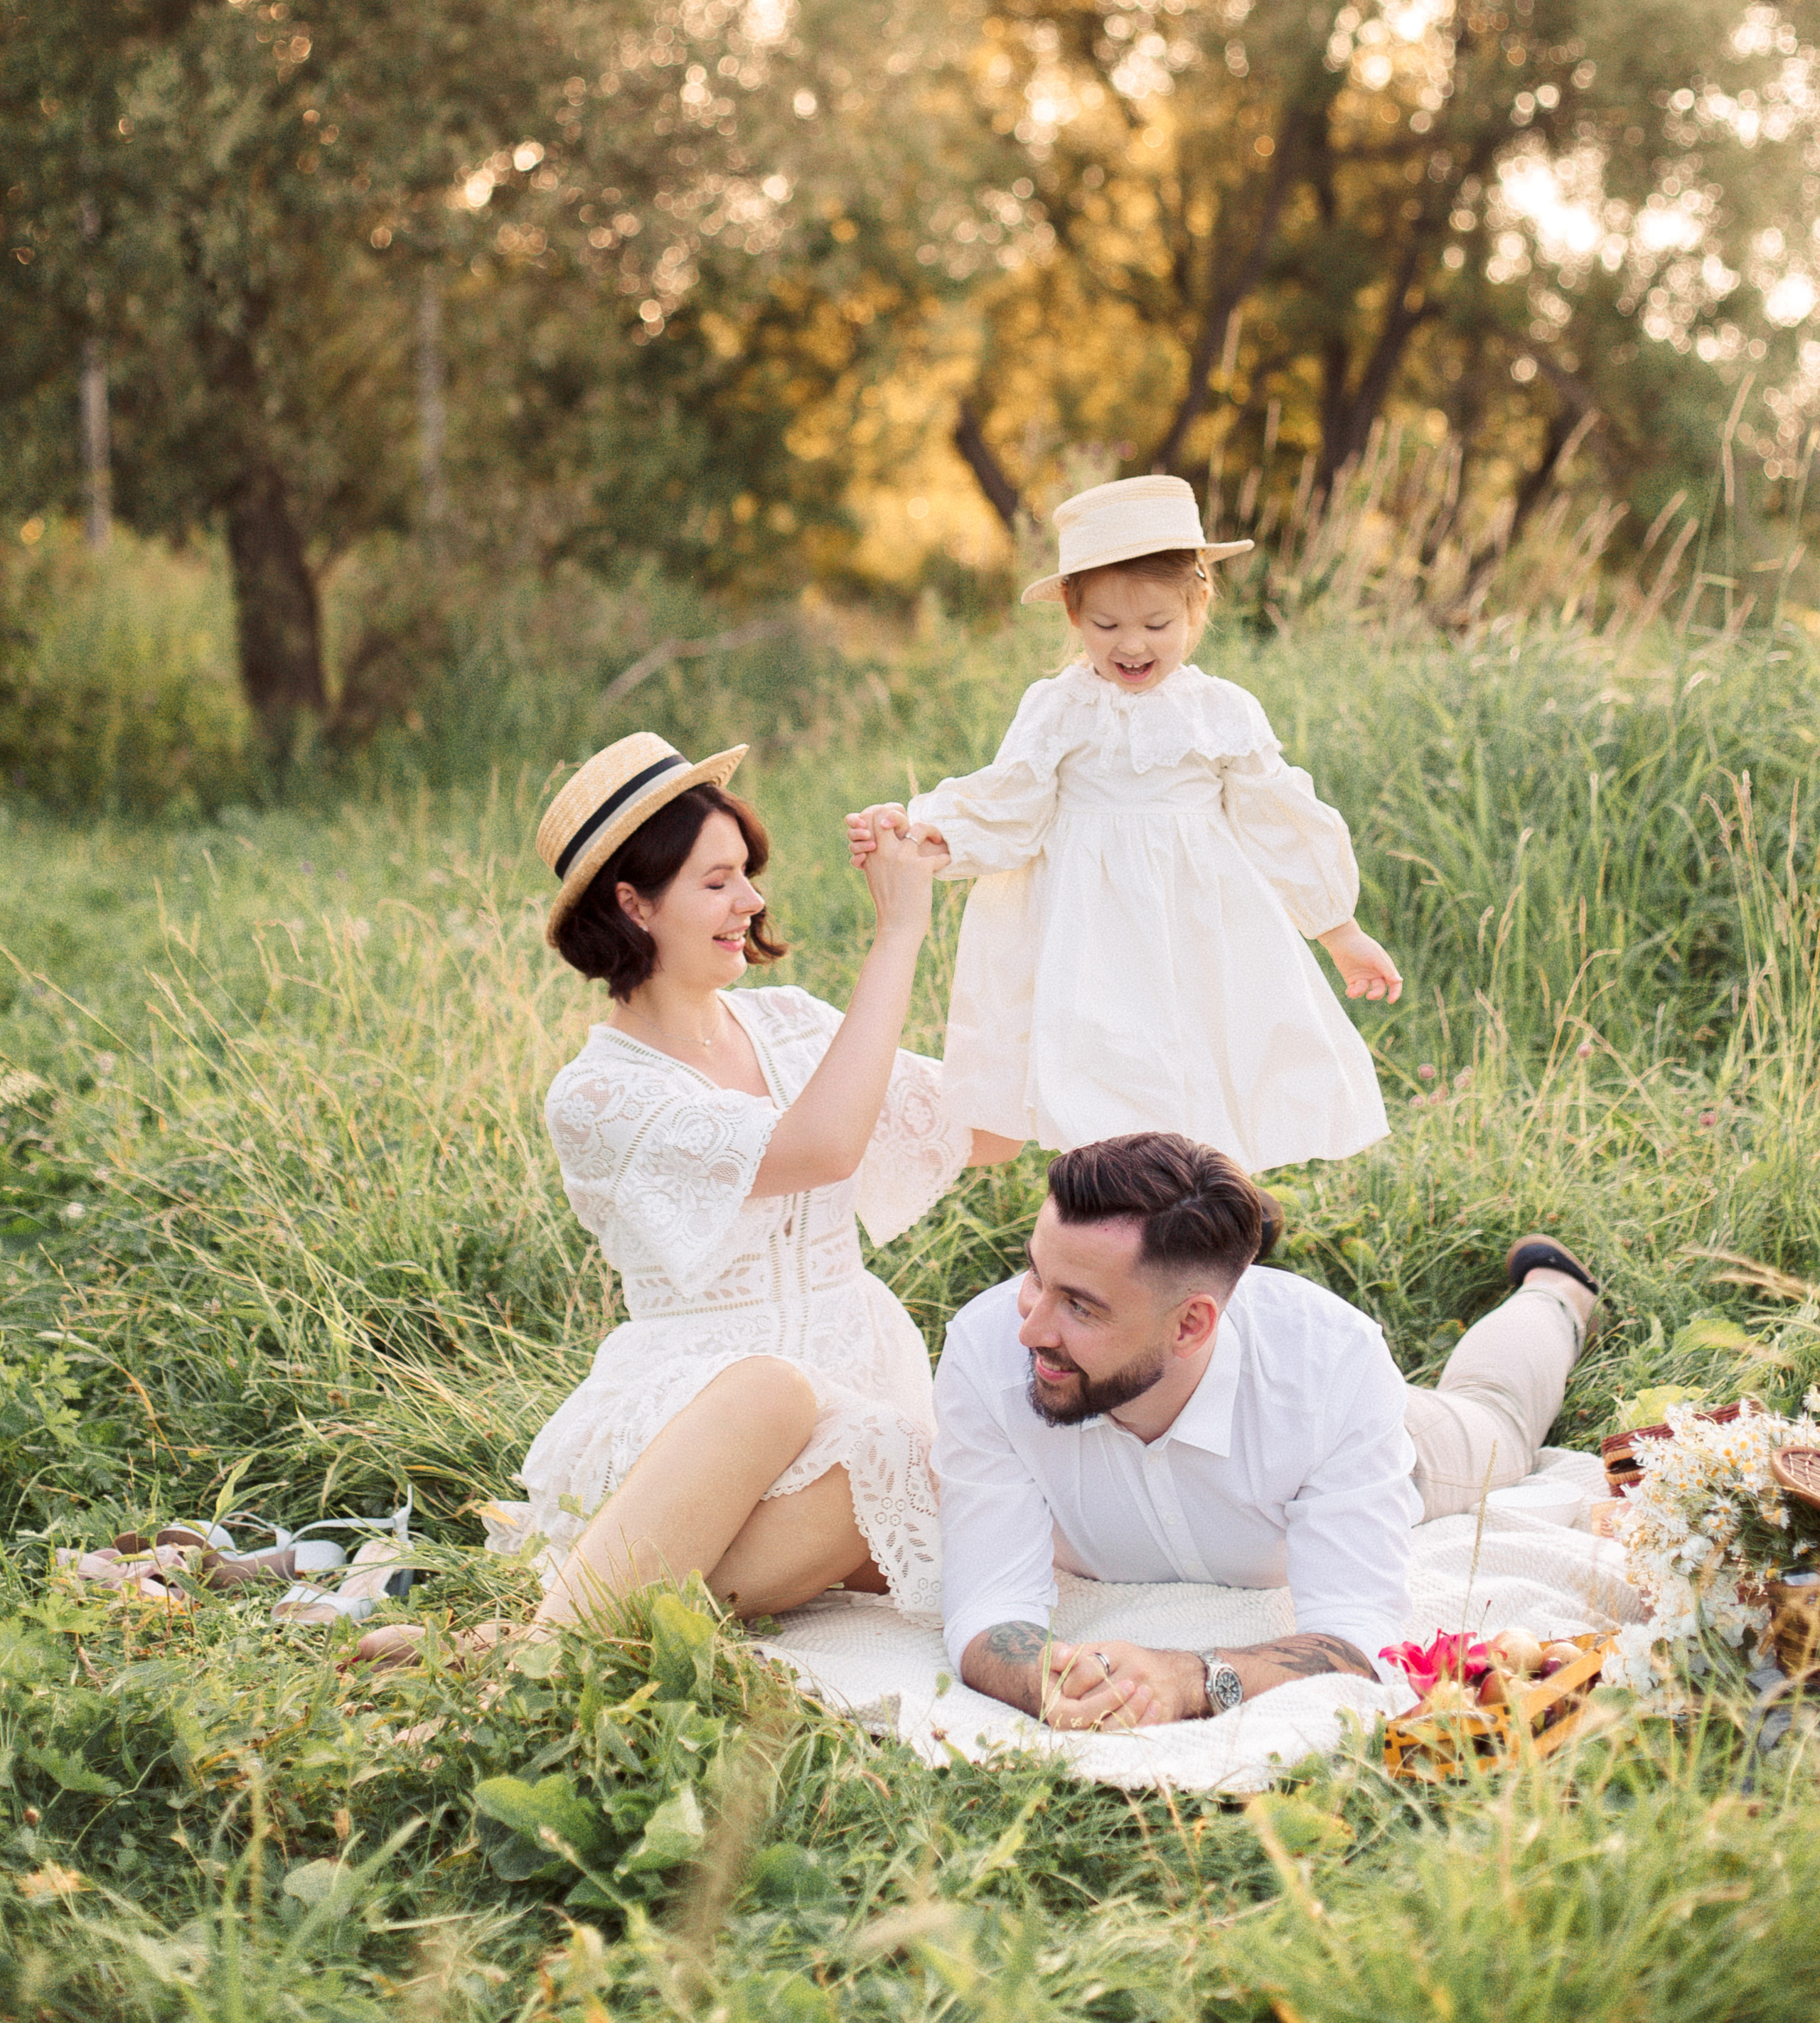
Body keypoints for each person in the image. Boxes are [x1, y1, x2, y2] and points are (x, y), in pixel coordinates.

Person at [361, 729, 1022, 1666]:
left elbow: (990, 1128)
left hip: (858, 1400)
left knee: (943, 1469)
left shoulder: (793, 1024)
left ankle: (535, 1631)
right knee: (773, 1390)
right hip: (695, 1424)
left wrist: (1038, 911)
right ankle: (539, 1652)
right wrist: (898, 931)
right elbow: (825, 1146)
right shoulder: (598, 1096)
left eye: (746, 872)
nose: (751, 900)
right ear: (634, 904)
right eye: (717, 882)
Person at [934, 1132, 1600, 1729]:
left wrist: (1188, 1680)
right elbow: (990, 1603)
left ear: (1191, 1324)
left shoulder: (1335, 1368)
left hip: (1391, 1450)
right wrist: (1063, 1686)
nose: (1028, 1329)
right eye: (1034, 1275)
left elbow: (1357, 1637)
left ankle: (1557, 1295)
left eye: (1079, 1305)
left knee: (1496, 1423)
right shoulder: (988, 1351)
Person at [846, 474, 1400, 1172]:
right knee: (1104, 1072)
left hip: (1197, 923)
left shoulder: (1220, 711)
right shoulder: (1059, 707)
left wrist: (1338, 929)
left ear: (1196, 605)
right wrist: (924, 829)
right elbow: (1011, 802)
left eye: (1156, 625)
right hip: (1089, 927)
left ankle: (1202, 1207)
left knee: (1202, 1066)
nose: (1132, 645)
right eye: (1107, 626)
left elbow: (1276, 817)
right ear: (1074, 613)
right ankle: (1109, 1204)